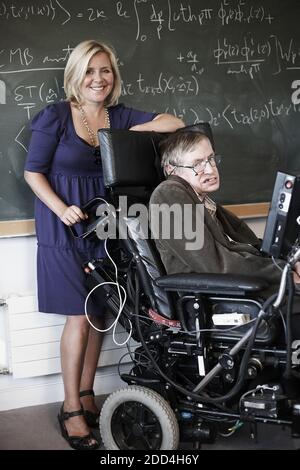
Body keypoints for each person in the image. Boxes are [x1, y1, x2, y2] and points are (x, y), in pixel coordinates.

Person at [24, 39, 184, 450]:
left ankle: (88, 393)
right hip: (64, 227)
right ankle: (70, 407)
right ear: (75, 74)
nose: (98, 79)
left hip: (107, 226)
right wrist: (61, 209)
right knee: (78, 316)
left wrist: (129, 130)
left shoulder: (119, 114)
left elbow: (174, 123)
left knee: (99, 313)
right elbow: (33, 173)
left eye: (105, 70)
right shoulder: (55, 117)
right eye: (90, 71)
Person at [149, 129, 300, 291]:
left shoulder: (205, 202)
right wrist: (283, 272)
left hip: (242, 285)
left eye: (211, 159)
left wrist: (290, 262)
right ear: (171, 169)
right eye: (197, 164)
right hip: (215, 295)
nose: (210, 169)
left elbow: (253, 246)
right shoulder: (167, 194)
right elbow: (217, 265)